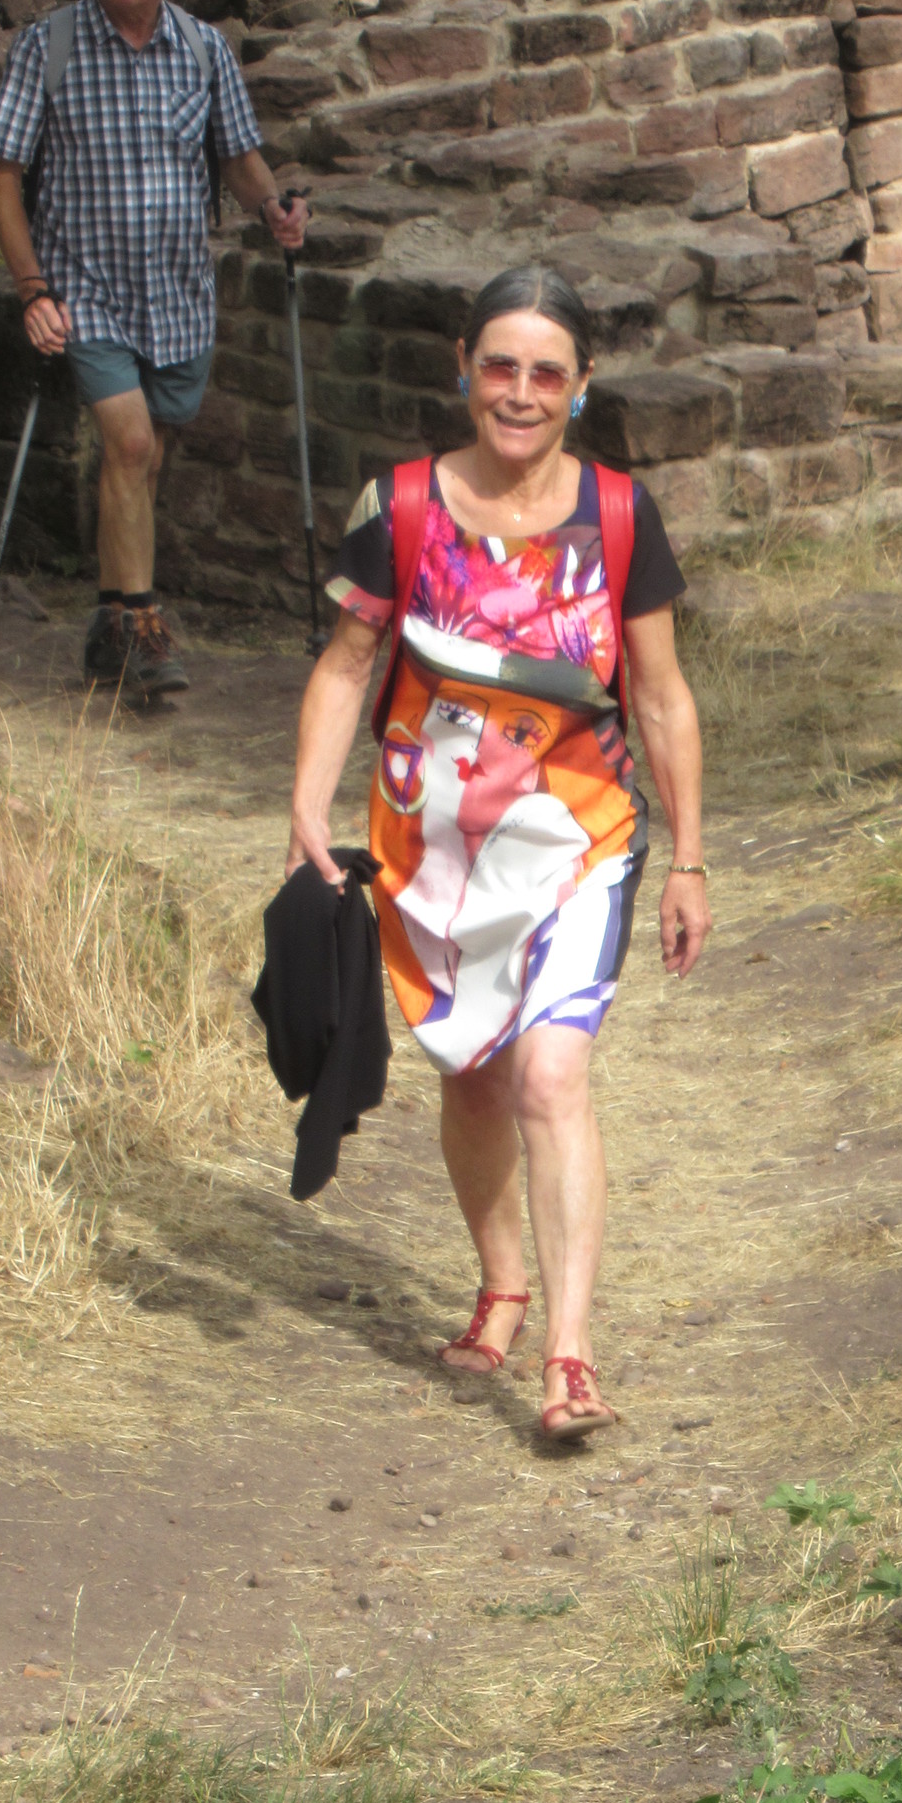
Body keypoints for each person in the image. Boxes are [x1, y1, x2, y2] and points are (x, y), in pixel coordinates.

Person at [285, 264, 712, 1442]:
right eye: (500, 367)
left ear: (582, 386)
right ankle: (502, 1284)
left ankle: (570, 1360)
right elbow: (347, 664)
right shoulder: (402, 504)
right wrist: (306, 808)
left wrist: (689, 858)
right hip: (431, 847)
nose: (521, 393)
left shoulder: (618, 514)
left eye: (547, 374)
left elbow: (661, 695)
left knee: (548, 1077)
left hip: (580, 834)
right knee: (472, 1072)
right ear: (463, 370)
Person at [0, 0, 310, 705]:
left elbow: (237, 157)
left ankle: (108, 624)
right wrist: (31, 288)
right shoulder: (49, 45)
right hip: (85, 289)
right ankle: (145, 625)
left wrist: (272, 208)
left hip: (177, 293)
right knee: (128, 447)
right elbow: (3, 174)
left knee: (147, 459)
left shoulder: (203, 50)